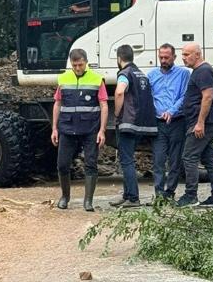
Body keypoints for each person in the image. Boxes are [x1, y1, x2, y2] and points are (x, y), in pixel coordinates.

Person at [51, 47, 108, 211]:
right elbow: (57, 103)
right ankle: (65, 197)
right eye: (75, 65)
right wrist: (54, 128)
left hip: (90, 130)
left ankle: (88, 201)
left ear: (86, 63)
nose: (77, 68)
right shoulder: (63, 79)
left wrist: (102, 130)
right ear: (71, 64)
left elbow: (104, 105)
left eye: (81, 65)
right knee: (62, 164)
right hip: (67, 129)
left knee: (91, 164)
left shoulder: (97, 79)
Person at [110, 44, 158, 208]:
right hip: (143, 122)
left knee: (127, 161)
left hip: (128, 122)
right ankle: (127, 195)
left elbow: (119, 91)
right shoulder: (141, 74)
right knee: (127, 159)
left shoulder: (124, 73)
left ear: (119, 58)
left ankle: (133, 198)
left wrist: (117, 113)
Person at [178, 42, 213, 207]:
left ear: (197, 54)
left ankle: (191, 196)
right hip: (206, 121)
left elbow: (208, 97)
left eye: (187, 54)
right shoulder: (199, 71)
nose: (183, 58)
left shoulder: (203, 71)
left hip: (204, 122)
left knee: (189, 157)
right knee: (208, 158)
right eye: (183, 55)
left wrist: (200, 123)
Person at [149, 43, 190, 201]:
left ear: (174, 57)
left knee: (175, 160)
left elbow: (184, 95)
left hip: (177, 121)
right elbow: (149, 96)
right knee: (158, 160)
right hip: (158, 122)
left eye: (167, 57)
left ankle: (170, 192)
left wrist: (171, 111)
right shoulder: (151, 75)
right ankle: (159, 194)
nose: (164, 60)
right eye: (161, 57)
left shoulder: (183, 74)